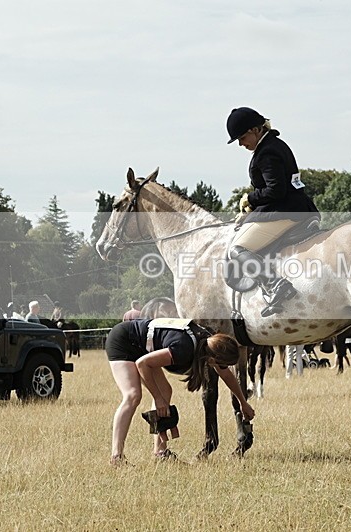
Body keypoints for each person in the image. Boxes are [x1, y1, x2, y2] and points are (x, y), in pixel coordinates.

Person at [106, 317, 255, 464]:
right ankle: (116, 457)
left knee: (165, 391)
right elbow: (142, 363)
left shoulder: (210, 343)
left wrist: (243, 403)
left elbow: (226, 374)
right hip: (124, 340)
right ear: (213, 359)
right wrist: (157, 399)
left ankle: (160, 453)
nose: (221, 367)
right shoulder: (183, 349)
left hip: (144, 346)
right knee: (133, 395)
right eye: (222, 363)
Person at [226, 106, 320, 317]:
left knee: (237, 248)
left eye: (242, 137)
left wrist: (249, 198)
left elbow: (276, 191)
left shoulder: (267, 151)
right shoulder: (276, 144)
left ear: (256, 129)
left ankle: (275, 283)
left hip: (286, 212)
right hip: (298, 208)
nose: (241, 144)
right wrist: (251, 209)